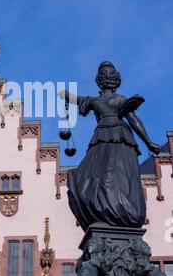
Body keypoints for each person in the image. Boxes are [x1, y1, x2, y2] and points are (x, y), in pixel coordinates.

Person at [59, 61, 160, 231]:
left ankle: (110, 208)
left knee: (101, 173)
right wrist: (148, 142)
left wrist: (63, 94)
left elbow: (73, 98)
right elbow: (134, 121)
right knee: (117, 174)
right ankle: (117, 207)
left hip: (107, 137)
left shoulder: (96, 101)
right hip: (120, 137)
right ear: (116, 81)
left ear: (99, 81)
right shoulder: (118, 100)